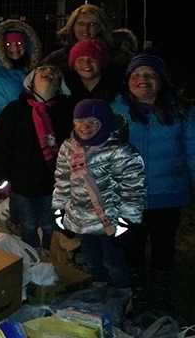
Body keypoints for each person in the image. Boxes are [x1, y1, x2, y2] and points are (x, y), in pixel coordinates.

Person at [112, 53, 195, 311]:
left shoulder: (181, 111)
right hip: (129, 195)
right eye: (136, 75)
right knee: (132, 246)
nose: (143, 80)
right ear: (127, 81)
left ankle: (161, 292)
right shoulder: (116, 110)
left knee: (163, 245)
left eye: (150, 75)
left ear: (161, 80)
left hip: (167, 193)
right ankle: (136, 291)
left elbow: (192, 150)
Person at [53, 99, 145, 288]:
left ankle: (122, 296)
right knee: (92, 261)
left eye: (93, 122)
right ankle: (99, 297)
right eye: (80, 121)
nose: (85, 127)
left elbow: (133, 189)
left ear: (106, 123)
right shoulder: (69, 147)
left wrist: (127, 220)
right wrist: (59, 209)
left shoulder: (121, 152)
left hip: (111, 221)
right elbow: (62, 180)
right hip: (81, 219)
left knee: (114, 263)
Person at [0, 64, 74, 251]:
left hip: (55, 185)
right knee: (26, 228)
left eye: (54, 73)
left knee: (51, 228)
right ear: (31, 81)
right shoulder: (14, 110)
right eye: (43, 72)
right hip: (22, 184)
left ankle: (51, 265)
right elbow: (1, 145)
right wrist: (1, 176)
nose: (49, 73)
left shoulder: (67, 111)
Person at [41, 4, 113, 74]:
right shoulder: (57, 58)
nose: (86, 29)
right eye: (81, 23)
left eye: (92, 24)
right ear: (72, 26)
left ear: (100, 28)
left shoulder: (112, 57)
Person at [66, 39, 119, 104]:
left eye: (92, 58)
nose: (86, 63)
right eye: (81, 60)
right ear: (74, 66)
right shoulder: (67, 90)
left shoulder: (116, 87)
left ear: (101, 61)